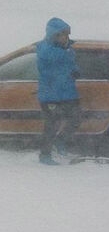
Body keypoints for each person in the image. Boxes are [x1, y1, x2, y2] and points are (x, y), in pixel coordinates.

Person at [36, 17, 81, 165]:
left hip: (68, 93)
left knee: (75, 118)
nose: (66, 38)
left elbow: (70, 65)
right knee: (51, 125)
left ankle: (60, 142)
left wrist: (75, 71)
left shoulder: (65, 48)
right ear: (54, 35)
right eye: (62, 35)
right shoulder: (45, 49)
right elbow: (60, 59)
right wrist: (68, 50)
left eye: (67, 35)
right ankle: (45, 155)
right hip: (51, 96)